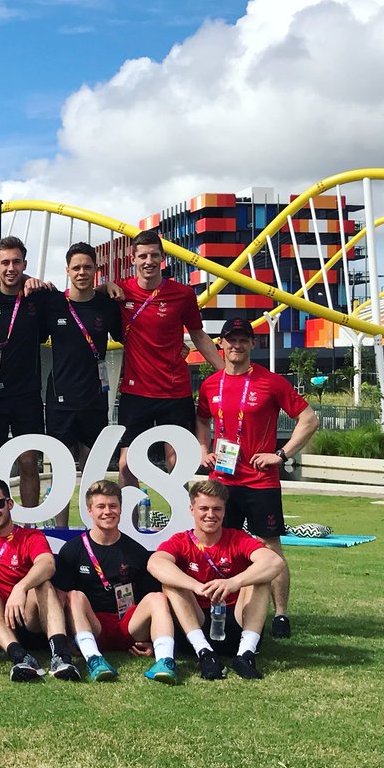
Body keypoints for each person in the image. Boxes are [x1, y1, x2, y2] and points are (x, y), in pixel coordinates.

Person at [196, 316, 319, 638]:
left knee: (269, 546)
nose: (236, 345)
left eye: (243, 340)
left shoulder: (271, 382)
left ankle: (280, 615)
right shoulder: (211, 384)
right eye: (230, 339)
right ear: (220, 344)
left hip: (259, 481)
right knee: (221, 545)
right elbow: (201, 419)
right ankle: (229, 609)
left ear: (253, 344)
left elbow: (309, 419)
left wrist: (280, 455)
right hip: (221, 480)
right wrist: (202, 449)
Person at [111, 232, 223, 490]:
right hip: (135, 391)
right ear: (133, 259)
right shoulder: (121, 291)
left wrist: (225, 373)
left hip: (174, 391)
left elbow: (198, 334)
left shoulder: (182, 294)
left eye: (153, 255)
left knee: (176, 462)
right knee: (126, 464)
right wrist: (105, 287)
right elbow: (88, 295)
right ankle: (130, 525)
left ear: (163, 257)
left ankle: (183, 523)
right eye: (142, 256)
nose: (148, 261)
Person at [148, 480, 284, 680]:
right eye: (203, 508)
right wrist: (195, 585)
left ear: (224, 510)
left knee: (261, 579)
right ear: (192, 509)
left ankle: (245, 655)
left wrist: (233, 582)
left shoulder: (237, 538)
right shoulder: (181, 540)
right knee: (171, 582)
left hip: (236, 622)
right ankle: (205, 654)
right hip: (196, 623)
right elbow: (155, 564)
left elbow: (274, 561)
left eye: (216, 509)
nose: (210, 515)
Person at [0, 476, 81, 682]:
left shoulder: (29, 536)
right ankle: (20, 658)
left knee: (43, 585)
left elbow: (47, 564)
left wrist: (21, 588)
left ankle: (61, 657)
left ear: (9, 504)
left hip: (27, 617)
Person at [53, 481, 177, 684]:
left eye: (113, 506)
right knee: (74, 596)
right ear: (90, 511)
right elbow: (59, 597)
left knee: (157, 598)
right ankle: (94, 659)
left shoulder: (135, 551)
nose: (107, 512)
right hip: (93, 626)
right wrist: (66, 636)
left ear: (120, 509)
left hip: (128, 626)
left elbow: (150, 599)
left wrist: (151, 640)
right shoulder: (73, 550)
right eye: (101, 506)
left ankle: (165, 660)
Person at [41, 243, 123, 526]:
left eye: (87, 267)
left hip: (94, 399)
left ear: (96, 271)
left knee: (94, 473)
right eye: (76, 267)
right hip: (60, 399)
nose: (82, 272)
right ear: (67, 271)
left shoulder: (106, 306)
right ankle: (60, 531)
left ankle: (95, 529)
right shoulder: (52, 303)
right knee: (60, 472)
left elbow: (131, 335)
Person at [0, 236, 49, 506]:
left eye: (16, 262)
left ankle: (29, 527)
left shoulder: (38, 297)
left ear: (24, 264)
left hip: (27, 394)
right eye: (4, 262)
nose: (10, 268)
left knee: (29, 461)